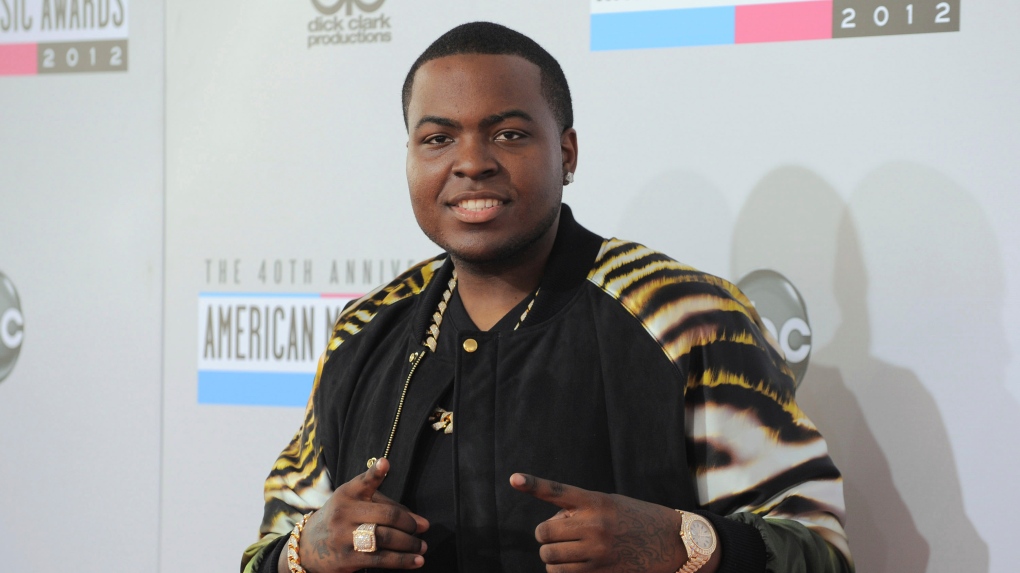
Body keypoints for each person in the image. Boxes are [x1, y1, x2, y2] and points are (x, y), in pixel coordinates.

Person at [241, 22, 853, 573]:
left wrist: (684, 543)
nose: (471, 163)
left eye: (508, 134)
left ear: (566, 153)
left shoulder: (684, 317)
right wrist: (305, 553)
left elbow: (819, 552)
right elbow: (267, 552)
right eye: (437, 139)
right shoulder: (365, 329)